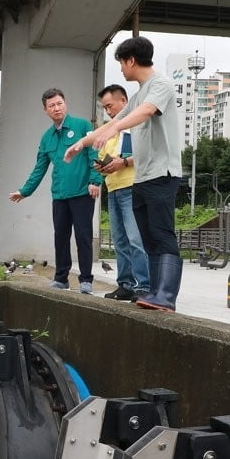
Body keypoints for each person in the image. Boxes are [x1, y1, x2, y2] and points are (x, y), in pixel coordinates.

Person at [65, 36, 183, 312]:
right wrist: (80, 144)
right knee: (148, 235)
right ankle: (153, 291)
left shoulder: (161, 85)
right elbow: (112, 123)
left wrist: (114, 129)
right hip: (142, 176)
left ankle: (165, 295)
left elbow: (145, 112)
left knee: (162, 233)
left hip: (162, 173)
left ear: (131, 60)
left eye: (121, 63)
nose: (120, 69)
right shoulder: (141, 91)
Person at [9, 87, 102, 294]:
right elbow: (39, 168)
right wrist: (24, 191)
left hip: (82, 193)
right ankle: (61, 278)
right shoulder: (46, 138)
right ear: (46, 110)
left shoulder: (81, 126)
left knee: (83, 236)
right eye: (51, 105)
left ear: (65, 104)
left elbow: (94, 152)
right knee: (60, 236)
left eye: (59, 103)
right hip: (59, 195)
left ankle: (86, 280)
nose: (56, 108)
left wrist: (95, 180)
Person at [95, 84, 150, 301]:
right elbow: (103, 155)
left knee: (136, 239)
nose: (108, 111)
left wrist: (123, 162)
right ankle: (125, 284)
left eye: (110, 106)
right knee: (120, 241)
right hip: (113, 188)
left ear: (123, 101)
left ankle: (144, 286)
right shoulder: (110, 131)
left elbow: (148, 152)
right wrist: (100, 166)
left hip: (133, 186)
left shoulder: (138, 125)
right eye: (105, 108)